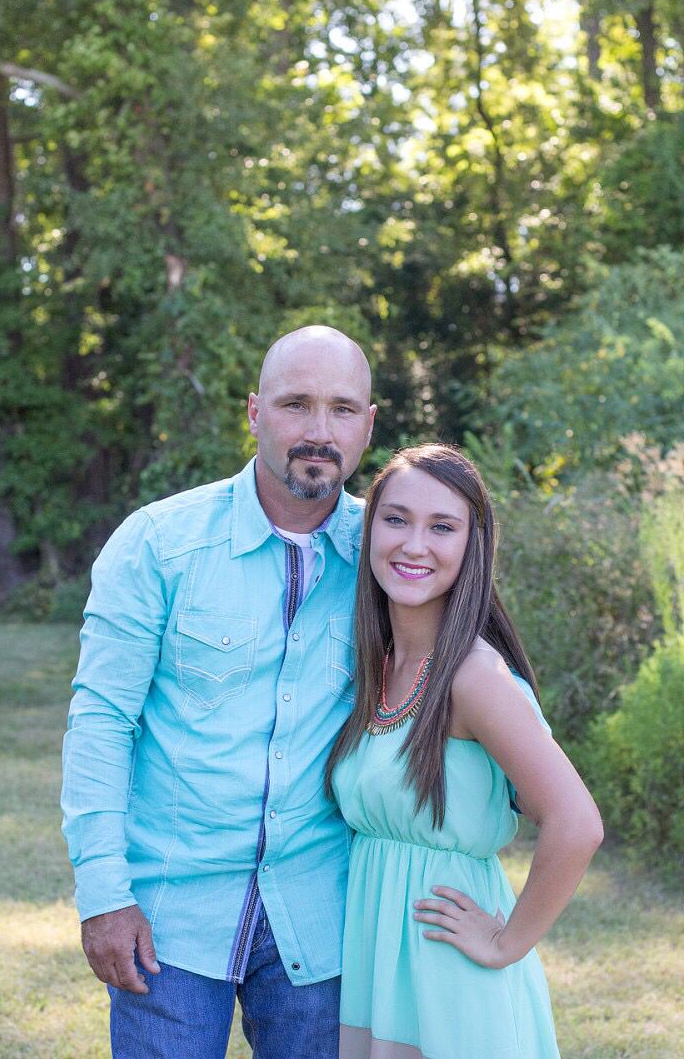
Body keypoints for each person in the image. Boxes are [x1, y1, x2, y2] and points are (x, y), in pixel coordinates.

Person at [60, 325, 376, 1059]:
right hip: (171, 911)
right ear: (254, 412)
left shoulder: (389, 553)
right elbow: (101, 723)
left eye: (342, 409)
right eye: (295, 404)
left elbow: (464, 676)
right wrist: (105, 892)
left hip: (323, 910)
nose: (318, 431)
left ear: (368, 423)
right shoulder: (157, 544)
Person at [326, 443, 604, 1059]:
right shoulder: (380, 665)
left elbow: (576, 823)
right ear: (370, 530)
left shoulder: (473, 676)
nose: (414, 544)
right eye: (396, 519)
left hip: (447, 970)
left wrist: (507, 943)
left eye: (442, 527)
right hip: (378, 964)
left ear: (471, 546)